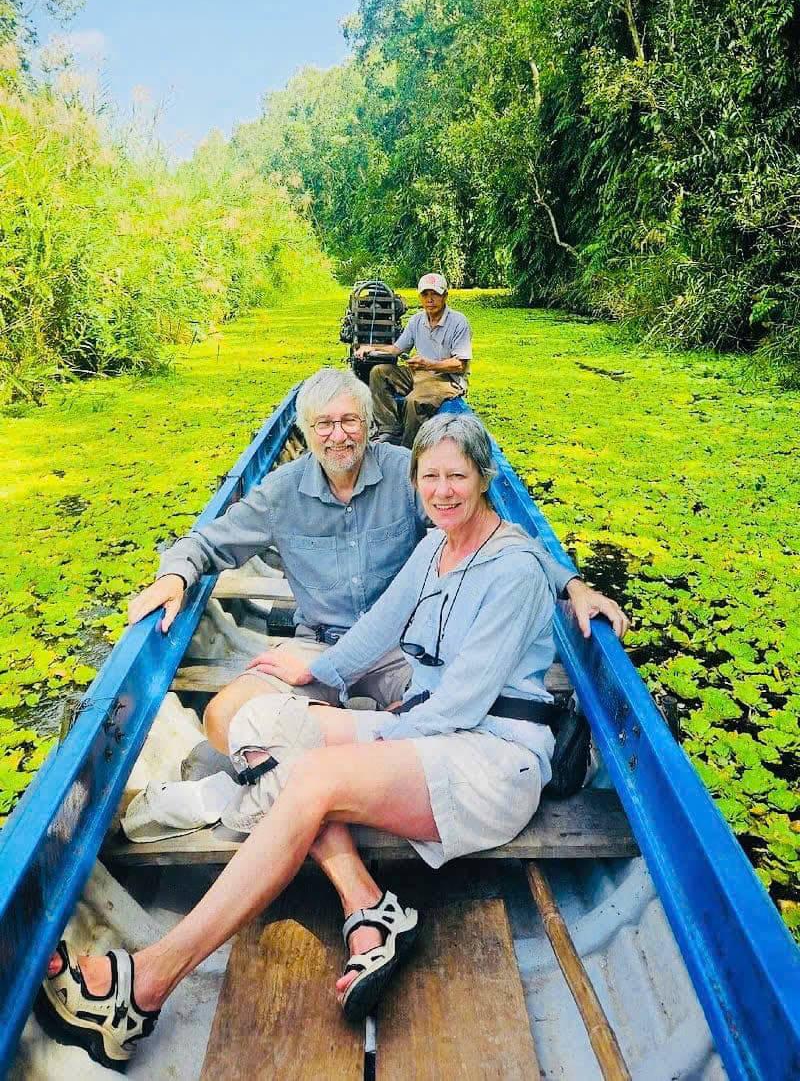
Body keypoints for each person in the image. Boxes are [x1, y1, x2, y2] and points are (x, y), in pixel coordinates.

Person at [38, 415, 583, 1069]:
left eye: (456, 476)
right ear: (417, 480)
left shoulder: (516, 567)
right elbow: (379, 626)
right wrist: (312, 672)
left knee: (311, 777)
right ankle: (371, 905)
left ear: (484, 478)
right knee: (258, 721)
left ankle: (147, 983)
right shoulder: (438, 546)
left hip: (490, 757)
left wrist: (344, 755)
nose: (442, 490)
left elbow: (461, 704)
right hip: (425, 723)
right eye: (430, 475)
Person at [127, 368, 626, 751]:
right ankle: (343, 764)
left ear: (368, 425)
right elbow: (207, 543)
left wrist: (573, 585)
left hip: (405, 648)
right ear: (304, 432)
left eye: (349, 421)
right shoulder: (280, 492)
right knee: (225, 717)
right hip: (318, 649)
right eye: (324, 424)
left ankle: (339, 764)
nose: (338, 436)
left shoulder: (407, 474)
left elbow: (496, 534)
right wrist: (175, 574)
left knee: (458, 721)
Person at [357, 272, 471, 447]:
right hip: (418, 373)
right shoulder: (417, 320)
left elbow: (460, 365)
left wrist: (428, 364)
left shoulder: (458, 321)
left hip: (446, 379)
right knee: (379, 372)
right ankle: (389, 429)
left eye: (435, 294)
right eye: (425, 294)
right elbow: (396, 349)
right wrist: (370, 348)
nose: (430, 299)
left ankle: (409, 448)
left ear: (445, 296)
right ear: (420, 297)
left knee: (414, 401)